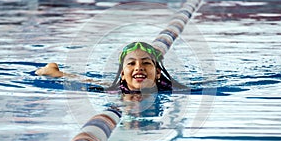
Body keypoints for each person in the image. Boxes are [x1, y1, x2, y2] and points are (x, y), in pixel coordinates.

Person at [36, 42, 186, 94]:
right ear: (122, 74)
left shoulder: (172, 89)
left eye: (146, 63)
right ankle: (53, 70)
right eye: (131, 63)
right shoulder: (115, 90)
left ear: (158, 73)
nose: (139, 67)